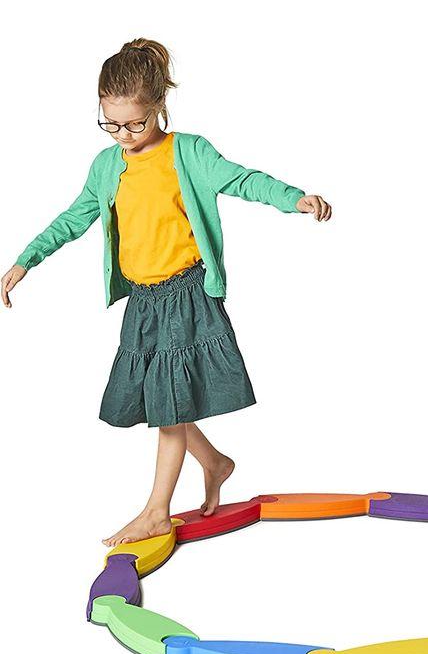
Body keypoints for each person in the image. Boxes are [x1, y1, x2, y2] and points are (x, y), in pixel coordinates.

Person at [1, 38, 332, 548]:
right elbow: (74, 218)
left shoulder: (188, 153)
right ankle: (214, 462)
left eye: (135, 124)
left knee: (170, 405)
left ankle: (156, 512)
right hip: (143, 301)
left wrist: (295, 199)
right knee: (158, 399)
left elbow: (243, 180)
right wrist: (27, 258)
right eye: (111, 124)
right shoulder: (107, 166)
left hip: (185, 294)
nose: (124, 135)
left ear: (159, 105)